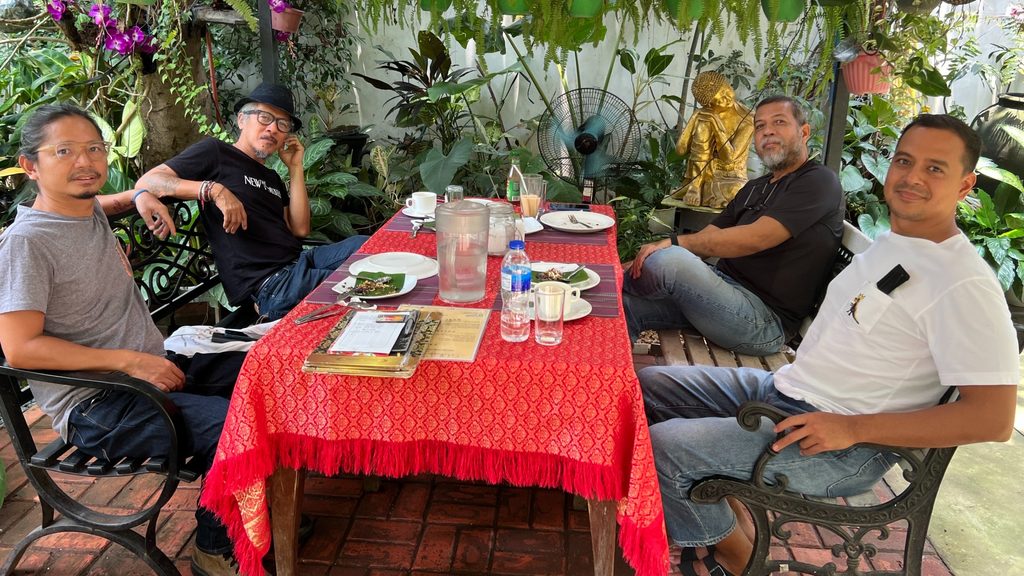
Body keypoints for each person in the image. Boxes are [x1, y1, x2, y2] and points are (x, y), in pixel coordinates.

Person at [639, 114, 1019, 576]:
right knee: (643, 387)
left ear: (965, 185)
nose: (912, 177)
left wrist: (853, 428)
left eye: (935, 168)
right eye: (904, 161)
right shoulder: (894, 244)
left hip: (842, 446)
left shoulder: (962, 284)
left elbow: (994, 419)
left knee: (665, 448)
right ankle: (726, 505)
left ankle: (739, 557)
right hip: (786, 390)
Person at [0, 103, 251, 576]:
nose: (85, 161)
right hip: (97, 406)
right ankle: (213, 548)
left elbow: (109, 202)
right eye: (64, 151)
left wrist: (139, 197)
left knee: (262, 372)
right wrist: (131, 363)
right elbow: (20, 348)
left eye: (94, 148)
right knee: (231, 424)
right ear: (31, 166)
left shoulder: (82, 209)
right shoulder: (26, 244)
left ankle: (254, 506)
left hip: (148, 369)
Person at [624, 95, 845, 356]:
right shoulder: (755, 187)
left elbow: (756, 238)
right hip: (722, 295)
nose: (768, 131)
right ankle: (607, 386)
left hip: (762, 322)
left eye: (779, 122)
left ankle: (611, 281)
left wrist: (672, 244)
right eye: (760, 126)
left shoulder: (818, 182)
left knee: (669, 261)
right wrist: (621, 267)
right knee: (623, 305)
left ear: (804, 132)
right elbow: (707, 241)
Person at [135, 82, 367, 321]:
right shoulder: (216, 153)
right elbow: (150, 181)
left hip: (301, 263)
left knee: (373, 249)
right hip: (273, 285)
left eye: (282, 124)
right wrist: (214, 190)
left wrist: (296, 167)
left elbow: (299, 228)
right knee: (367, 284)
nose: (273, 129)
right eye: (264, 117)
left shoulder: (272, 177)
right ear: (241, 120)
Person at [672, 71, 754, 208]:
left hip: (730, 176)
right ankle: (695, 186)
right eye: (719, 100)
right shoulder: (705, 113)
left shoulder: (748, 119)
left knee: (737, 191)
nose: (727, 99)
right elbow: (680, 151)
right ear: (709, 105)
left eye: (726, 91)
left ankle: (696, 187)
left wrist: (716, 125)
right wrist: (694, 118)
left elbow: (729, 158)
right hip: (702, 172)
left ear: (728, 84)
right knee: (704, 123)